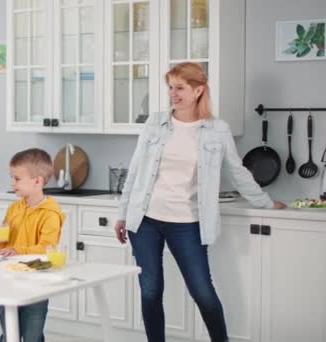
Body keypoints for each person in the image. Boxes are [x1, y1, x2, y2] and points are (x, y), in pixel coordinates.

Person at [114, 62, 286, 342]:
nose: (173, 94)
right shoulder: (154, 123)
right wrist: (123, 214)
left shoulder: (217, 130)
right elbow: (135, 172)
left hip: (187, 223)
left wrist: (265, 202)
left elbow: (238, 171)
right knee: (150, 290)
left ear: (198, 90)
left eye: (179, 88)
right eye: (170, 87)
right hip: (144, 220)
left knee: (202, 291)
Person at [0, 148, 66, 342]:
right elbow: (6, 245)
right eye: (12, 178)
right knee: (9, 332)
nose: (12, 183)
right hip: (11, 278)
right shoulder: (14, 208)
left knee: (33, 335)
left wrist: (16, 250)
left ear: (37, 181)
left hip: (37, 281)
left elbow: (46, 247)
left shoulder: (51, 213)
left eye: (16, 179)